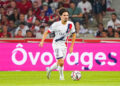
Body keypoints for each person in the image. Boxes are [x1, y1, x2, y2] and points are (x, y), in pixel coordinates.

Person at [39, 8, 76, 80]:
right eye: (64, 15)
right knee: (61, 62)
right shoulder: (56, 25)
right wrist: (42, 41)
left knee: (60, 62)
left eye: (67, 15)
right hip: (56, 44)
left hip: (65, 45)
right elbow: (47, 32)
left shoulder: (71, 24)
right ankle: (61, 77)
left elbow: (74, 34)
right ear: (60, 16)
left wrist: (71, 46)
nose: (66, 17)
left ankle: (49, 70)